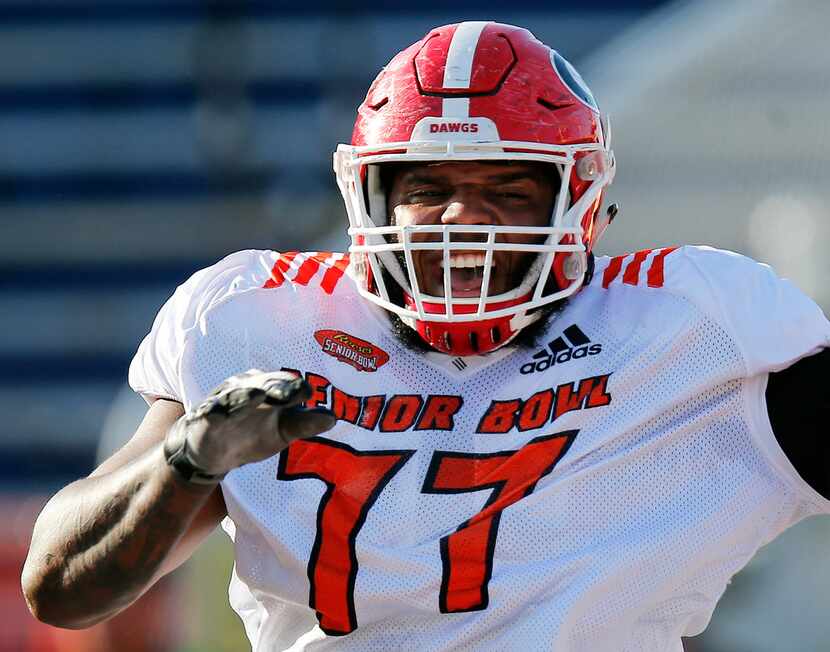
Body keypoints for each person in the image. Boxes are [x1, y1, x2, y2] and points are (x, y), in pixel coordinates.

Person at [21, 21, 830, 652]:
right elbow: (60, 588)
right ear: (368, 195)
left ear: (577, 201)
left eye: (508, 189)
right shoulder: (255, 322)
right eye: (427, 188)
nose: (463, 223)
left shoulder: (691, 328)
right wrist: (189, 462)